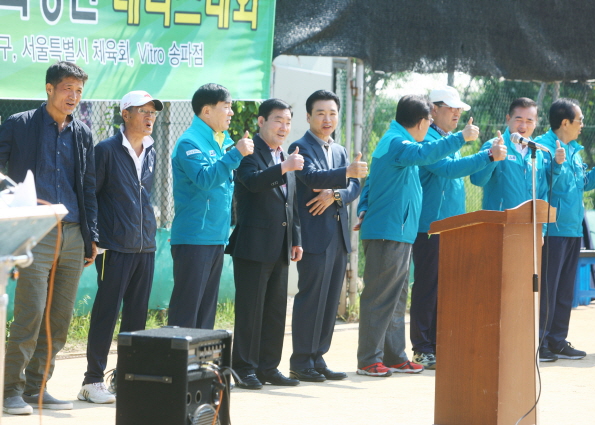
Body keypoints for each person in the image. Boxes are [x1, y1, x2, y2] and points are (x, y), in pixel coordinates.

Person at [355, 94, 479, 377]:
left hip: (400, 230)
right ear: (424, 122)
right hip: (389, 230)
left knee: (397, 295)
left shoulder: (397, 140)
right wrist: (461, 138)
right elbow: (425, 155)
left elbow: (373, 180)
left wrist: (363, 207)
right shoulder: (398, 143)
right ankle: (368, 360)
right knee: (379, 296)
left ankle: (394, 356)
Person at [0, 61, 98, 415]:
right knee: (31, 312)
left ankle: (37, 387)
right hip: (35, 232)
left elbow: (87, 186)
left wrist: (92, 237)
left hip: (72, 234)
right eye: (67, 88)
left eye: (79, 91)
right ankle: (10, 389)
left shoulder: (83, 133)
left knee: (59, 317)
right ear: (49, 89)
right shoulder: (19, 124)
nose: (73, 96)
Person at [410, 87, 507, 370]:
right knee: (428, 287)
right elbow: (448, 169)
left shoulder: (447, 139)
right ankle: (422, 348)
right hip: (430, 227)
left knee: (449, 290)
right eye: (451, 107)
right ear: (433, 109)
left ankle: (441, 345)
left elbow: (464, 172)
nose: (457, 112)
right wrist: (487, 156)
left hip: (454, 227)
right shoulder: (428, 138)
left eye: (459, 108)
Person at [77, 91, 163, 404]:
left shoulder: (152, 149)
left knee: (137, 318)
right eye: (142, 111)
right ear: (125, 114)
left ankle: (128, 376)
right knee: (106, 314)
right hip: (115, 247)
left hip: (145, 247)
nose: (149, 117)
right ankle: (92, 381)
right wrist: (95, 238)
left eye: (152, 112)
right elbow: (91, 196)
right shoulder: (106, 151)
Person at [288, 90, 367, 382]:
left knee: (330, 298)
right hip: (312, 235)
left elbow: (354, 187)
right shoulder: (300, 147)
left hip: (337, 234)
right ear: (308, 117)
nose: (327, 119)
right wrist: (344, 173)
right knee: (311, 297)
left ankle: (318, 357)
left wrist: (335, 194)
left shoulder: (340, 150)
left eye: (332, 113)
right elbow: (310, 177)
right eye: (320, 113)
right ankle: (300, 360)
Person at [226, 99, 304, 389]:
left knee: (274, 310)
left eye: (287, 122)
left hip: (281, 245)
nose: (284, 127)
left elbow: (291, 201)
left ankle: (269, 367)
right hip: (253, 244)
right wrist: (283, 167)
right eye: (277, 120)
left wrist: (296, 238)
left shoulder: (285, 155)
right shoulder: (248, 151)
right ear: (261, 122)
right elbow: (253, 183)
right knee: (250, 310)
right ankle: (243, 368)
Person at [168, 83, 254, 329]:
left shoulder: (219, 142)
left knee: (205, 314)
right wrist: (235, 154)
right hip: (195, 239)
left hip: (216, 238)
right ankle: (177, 367)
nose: (231, 113)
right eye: (226, 107)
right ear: (206, 111)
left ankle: (199, 367)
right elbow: (205, 180)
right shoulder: (189, 143)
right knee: (186, 313)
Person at [534, 98, 594, 362]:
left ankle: (558, 340)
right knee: (548, 288)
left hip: (572, 229)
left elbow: (582, 184)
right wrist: (556, 165)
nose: (582, 125)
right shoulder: (543, 147)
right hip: (552, 230)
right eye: (579, 120)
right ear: (565, 122)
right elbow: (540, 183)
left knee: (565, 289)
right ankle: (541, 342)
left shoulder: (573, 150)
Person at [470, 98, 547, 211]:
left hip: (529, 226)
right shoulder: (493, 146)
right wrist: (493, 157)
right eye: (519, 119)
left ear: (535, 123)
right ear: (508, 119)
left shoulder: (537, 152)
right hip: (499, 225)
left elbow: (542, 193)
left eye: (529, 121)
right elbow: (477, 180)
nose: (523, 126)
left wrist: (542, 227)